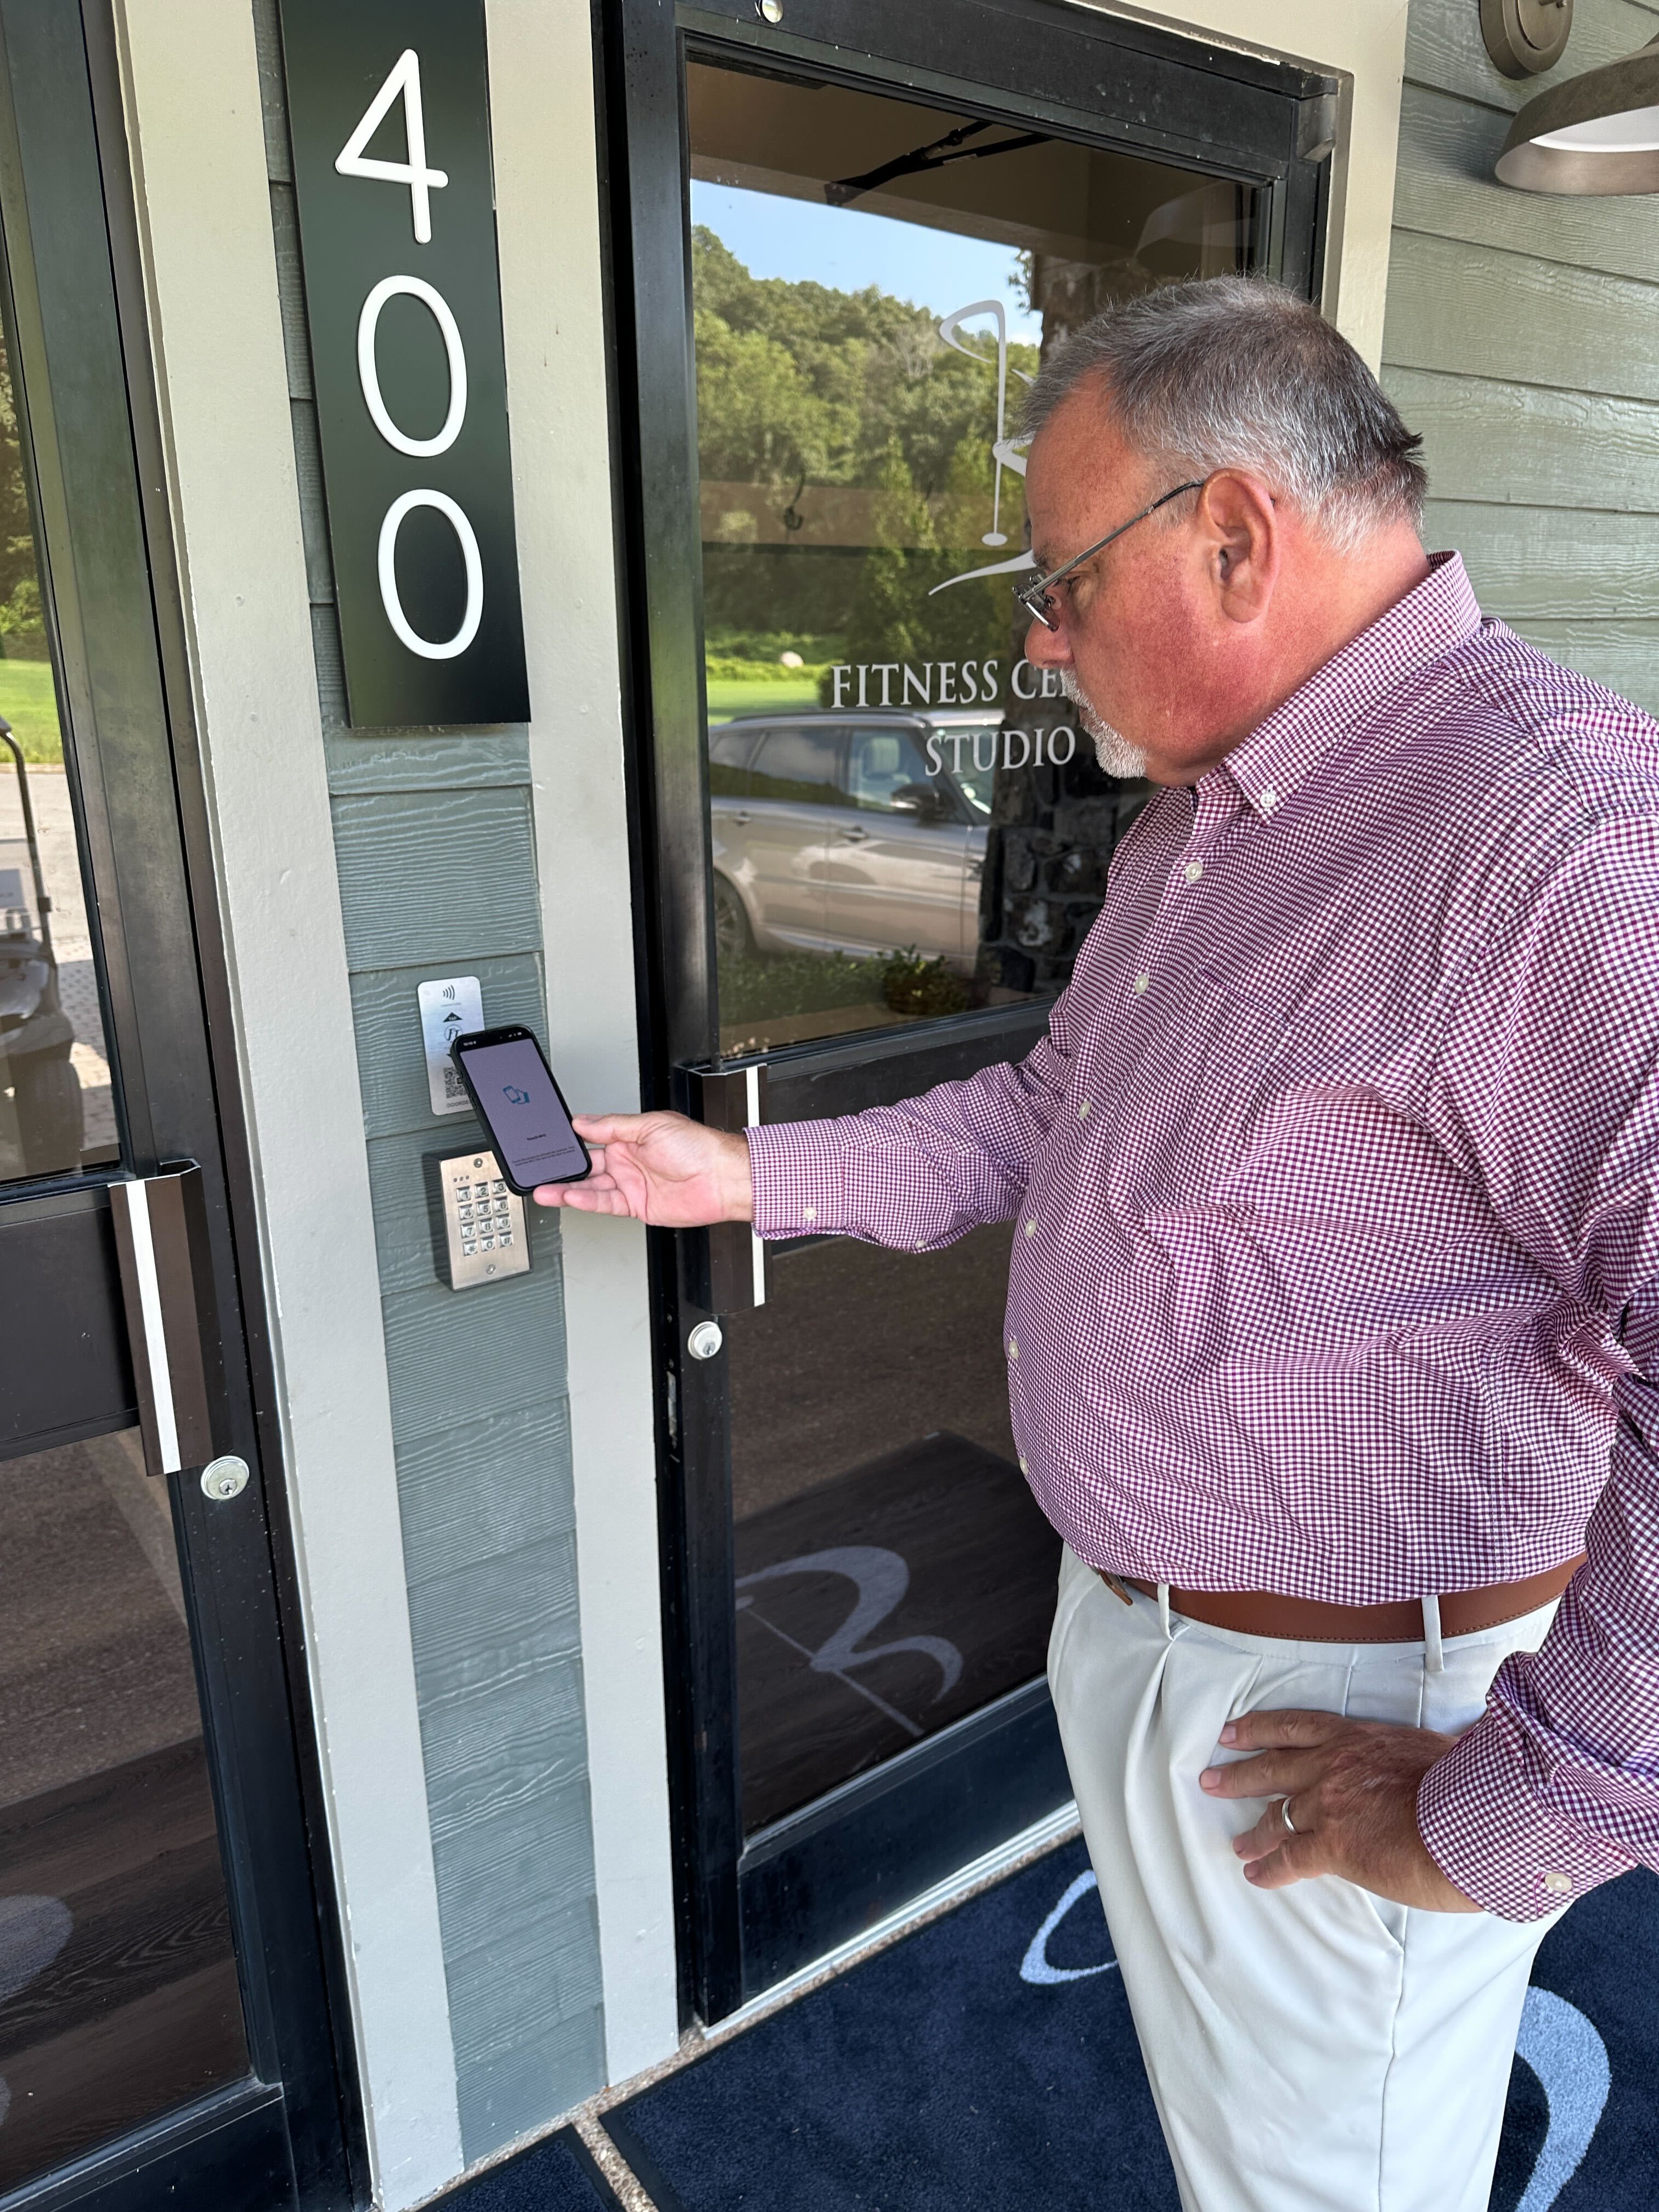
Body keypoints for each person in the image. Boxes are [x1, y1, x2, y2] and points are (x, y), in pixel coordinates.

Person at [537, 275, 1659, 2212]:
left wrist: (1521, 1816)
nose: (1039, 634)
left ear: (1233, 535)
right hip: (1151, 1636)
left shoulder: (1552, 843)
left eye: (1059, 579)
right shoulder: (1211, 820)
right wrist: (745, 1177)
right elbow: (1052, 1116)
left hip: (1348, 1707)